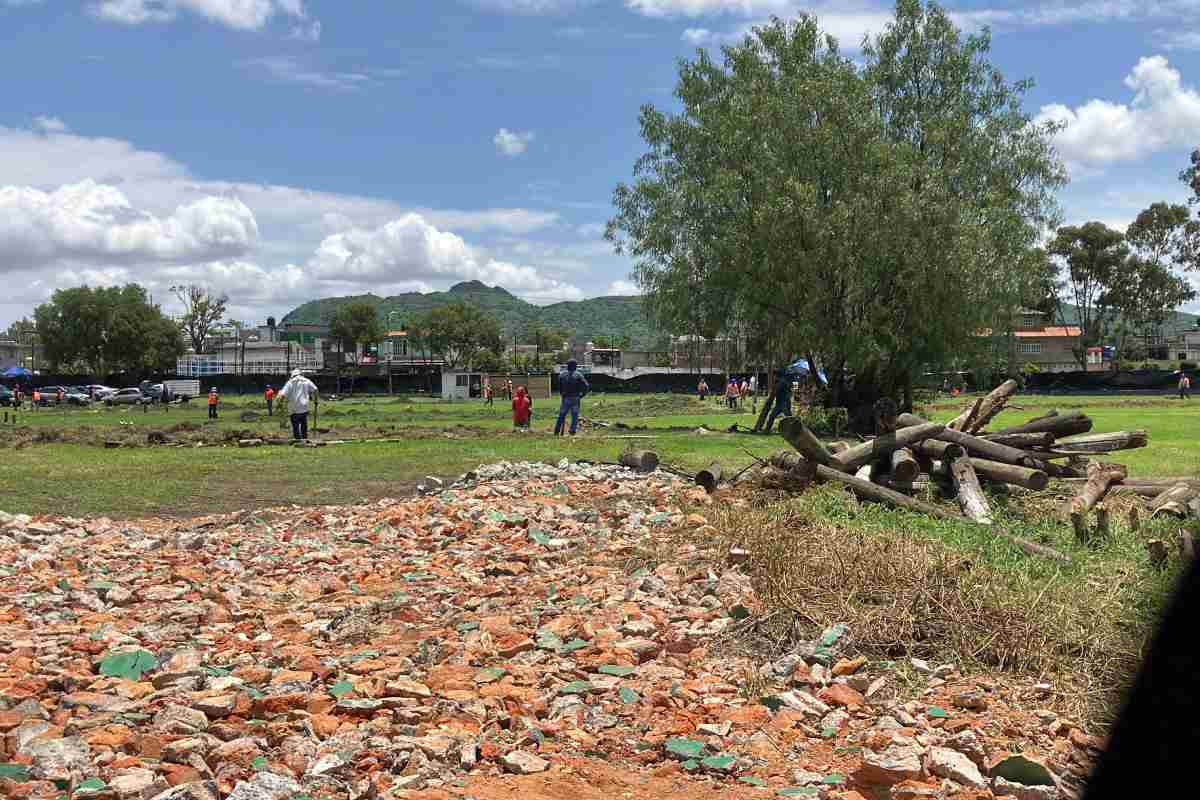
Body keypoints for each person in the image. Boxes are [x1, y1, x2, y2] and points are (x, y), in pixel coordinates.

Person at [278, 368, 319, 441]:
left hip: (294, 408)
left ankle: (297, 440)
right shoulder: (306, 381)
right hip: (304, 406)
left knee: (295, 425)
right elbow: (315, 389)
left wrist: (280, 403)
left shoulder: (290, 382)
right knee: (304, 424)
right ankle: (305, 438)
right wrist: (316, 400)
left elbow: (283, 394)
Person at [554, 359, 590, 436]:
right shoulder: (578, 375)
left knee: (561, 415)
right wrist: (582, 395)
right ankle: (572, 430)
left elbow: (559, 387)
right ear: (575, 366)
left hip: (565, 398)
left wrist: (562, 394)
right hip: (575, 398)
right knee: (574, 415)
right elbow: (586, 386)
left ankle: (557, 430)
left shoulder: (562, 375)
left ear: (568, 366)